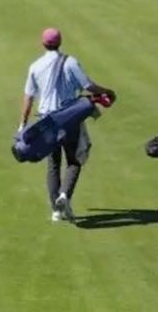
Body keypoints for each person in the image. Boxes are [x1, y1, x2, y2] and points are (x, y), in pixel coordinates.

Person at [19, 27, 116, 223]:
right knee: (74, 160)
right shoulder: (70, 62)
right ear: (60, 42)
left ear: (43, 44)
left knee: (53, 165)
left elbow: (28, 97)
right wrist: (107, 91)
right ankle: (65, 195)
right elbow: (88, 86)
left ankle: (56, 209)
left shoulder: (35, 66)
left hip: (46, 121)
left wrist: (23, 124)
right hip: (69, 118)